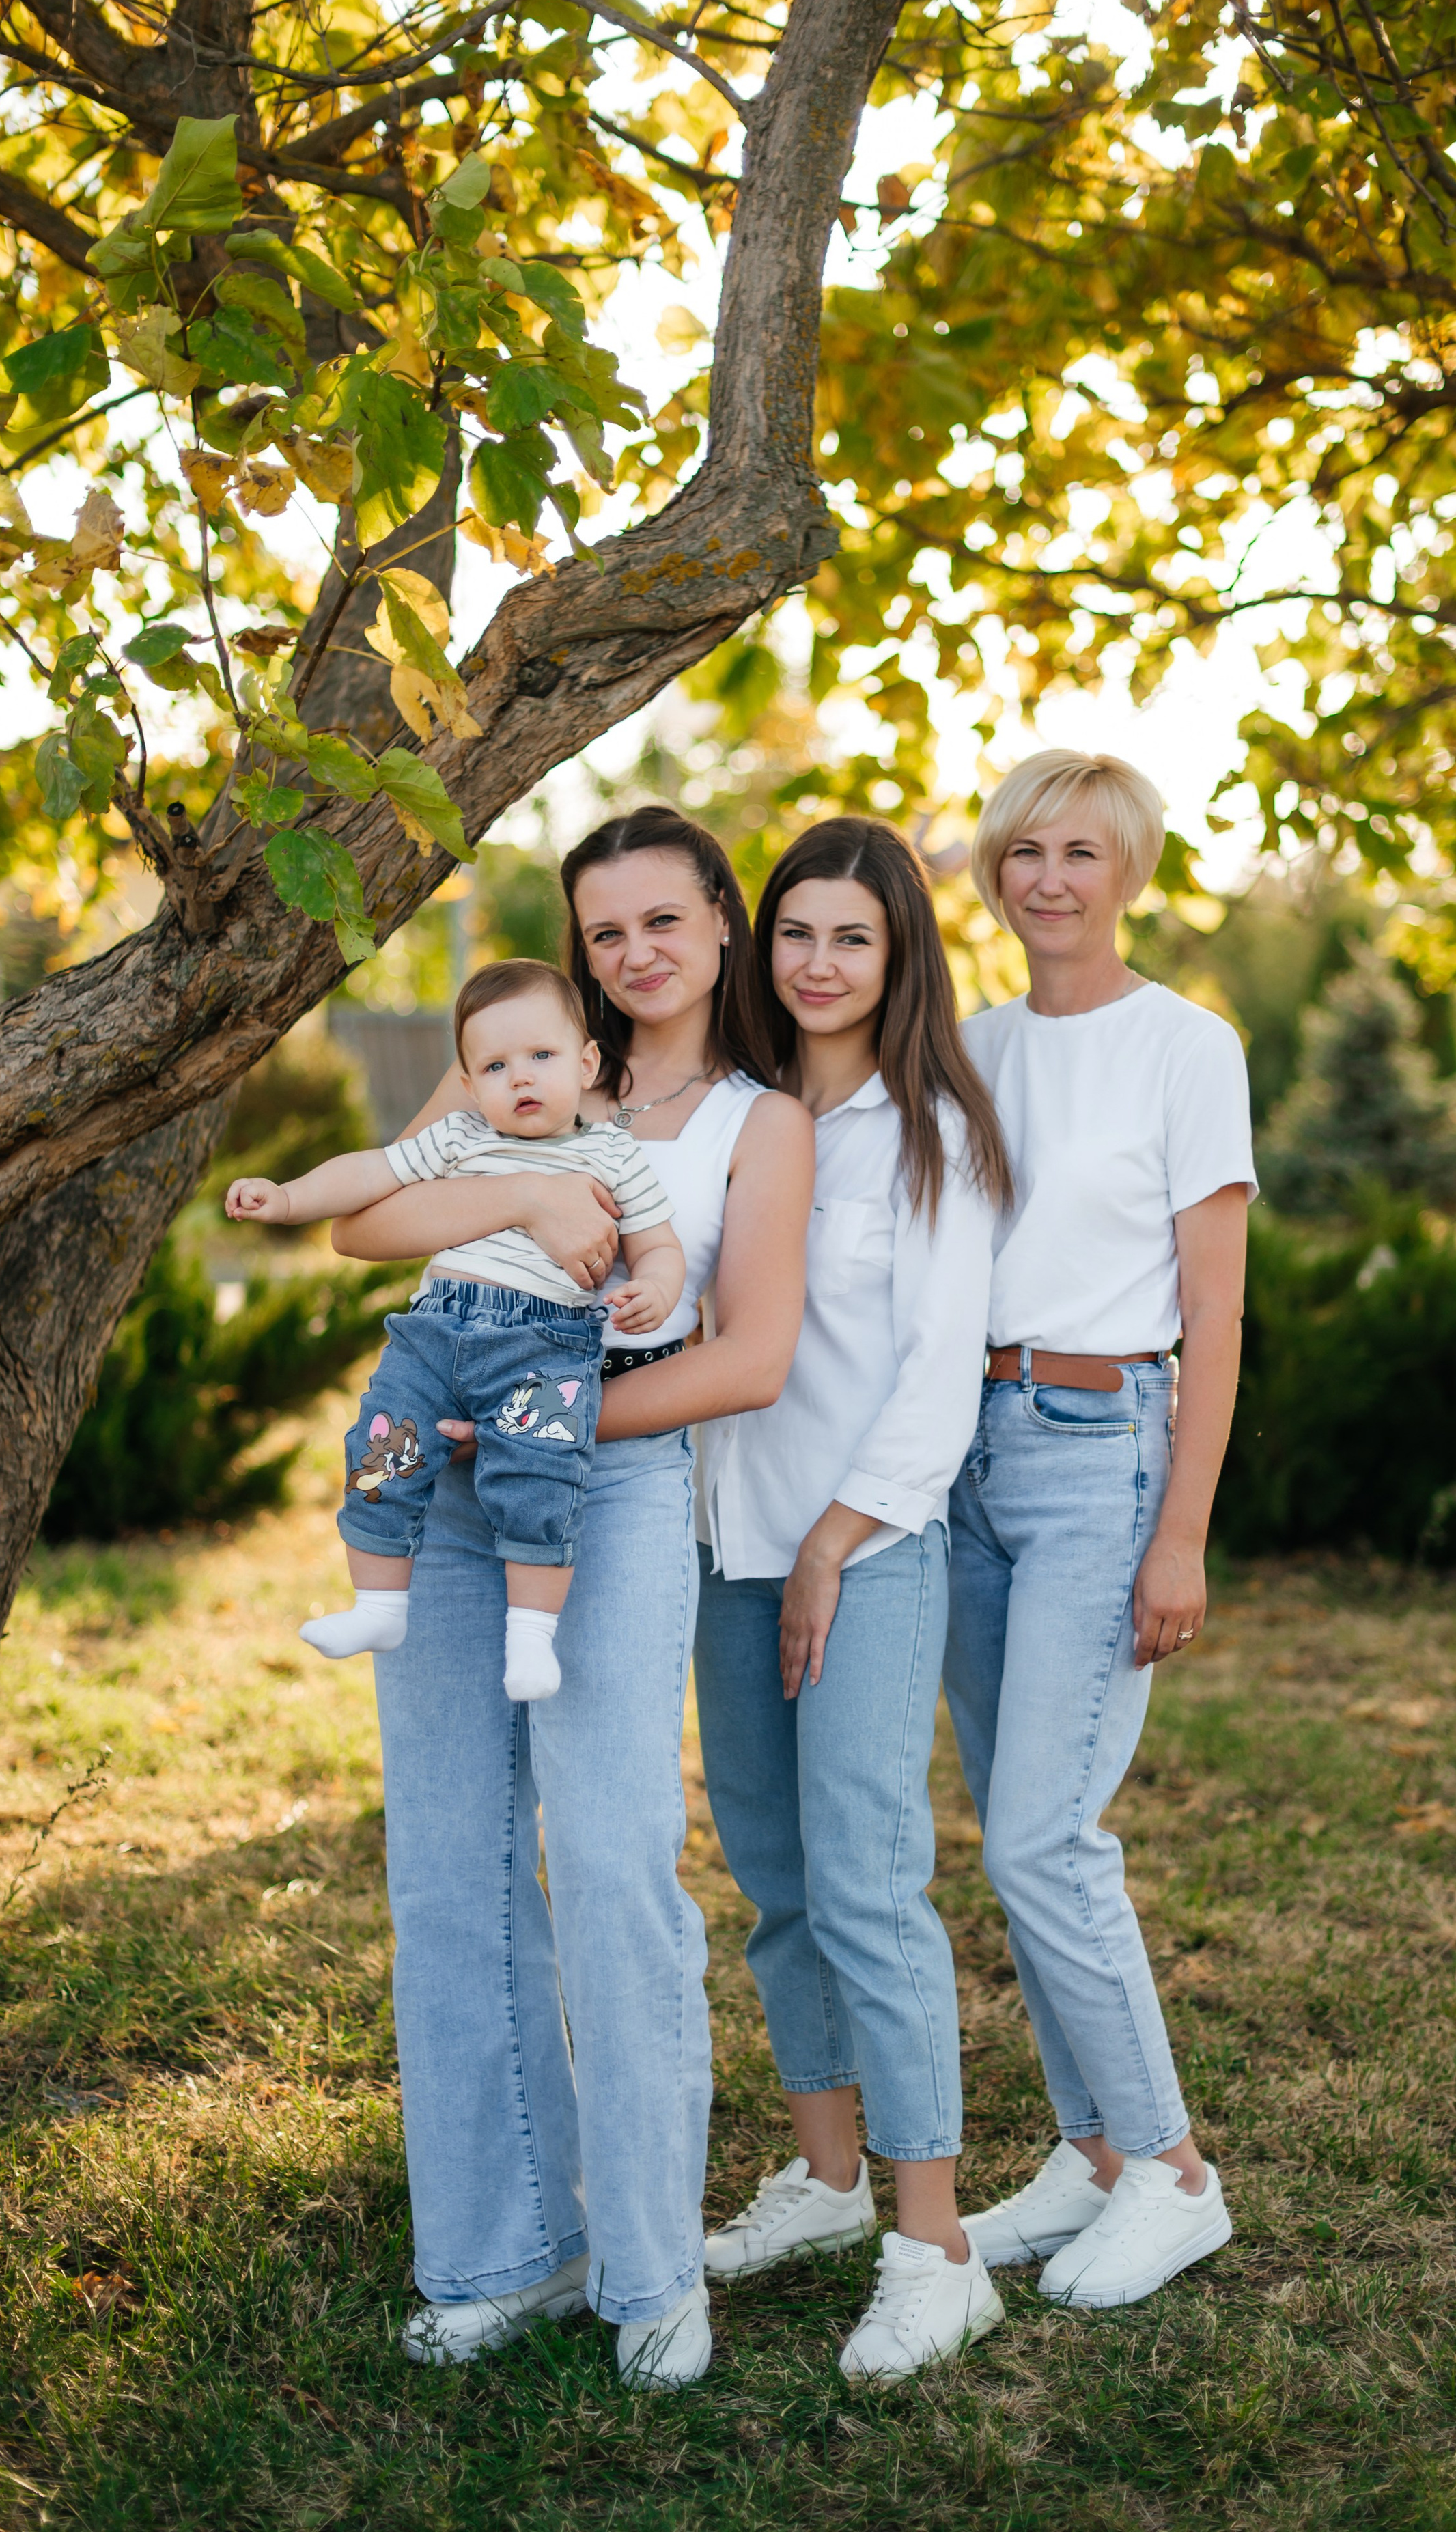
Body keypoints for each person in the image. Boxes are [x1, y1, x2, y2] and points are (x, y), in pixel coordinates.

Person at [330, 806, 813, 2389]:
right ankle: (503, 2247)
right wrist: (525, 1203)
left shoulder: (760, 1116)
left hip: (600, 1481)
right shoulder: (514, 1054)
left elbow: (747, 1354)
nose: (633, 954)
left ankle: (653, 2264)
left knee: (611, 1865)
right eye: (606, 928)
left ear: (722, 924)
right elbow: (368, 1215)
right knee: (448, 1871)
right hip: (444, 1502)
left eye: (661, 921)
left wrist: (537, 1417)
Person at [690, 816, 1013, 2380]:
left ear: (897, 961)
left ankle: (932, 2243)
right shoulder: (735, 1120)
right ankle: (824, 2180)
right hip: (718, 1541)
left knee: (871, 1880)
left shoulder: (934, 1131)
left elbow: (933, 1384)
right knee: (776, 1880)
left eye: (850, 938)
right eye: (794, 932)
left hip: (865, 1549)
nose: (815, 962)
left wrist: (829, 1542)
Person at [947, 748, 1255, 2311]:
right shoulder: (965, 1044)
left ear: (1126, 869)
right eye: (1022, 850)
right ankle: (1085, 2152)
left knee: (1040, 1832)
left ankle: (1172, 2168)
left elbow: (1213, 1306)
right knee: (1017, 1838)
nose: (1047, 877)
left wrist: (1178, 1530)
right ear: (992, 873)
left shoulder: (1183, 1045)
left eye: (1078, 850)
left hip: (1098, 1449)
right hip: (961, 1464)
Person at [227, 959, 682, 1699]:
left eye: (541, 1056)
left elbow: (656, 1244)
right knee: (382, 1446)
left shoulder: (613, 1152)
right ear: (469, 1085)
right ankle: (378, 1607)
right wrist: (286, 1197)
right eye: (496, 1065)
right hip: (436, 1334)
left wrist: (657, 1287)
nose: (521, 1077)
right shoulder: (460, 1139)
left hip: (546, 1346)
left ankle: (531, 1639)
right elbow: (372, 1173)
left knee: (542, 1474)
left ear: (586, 1062)